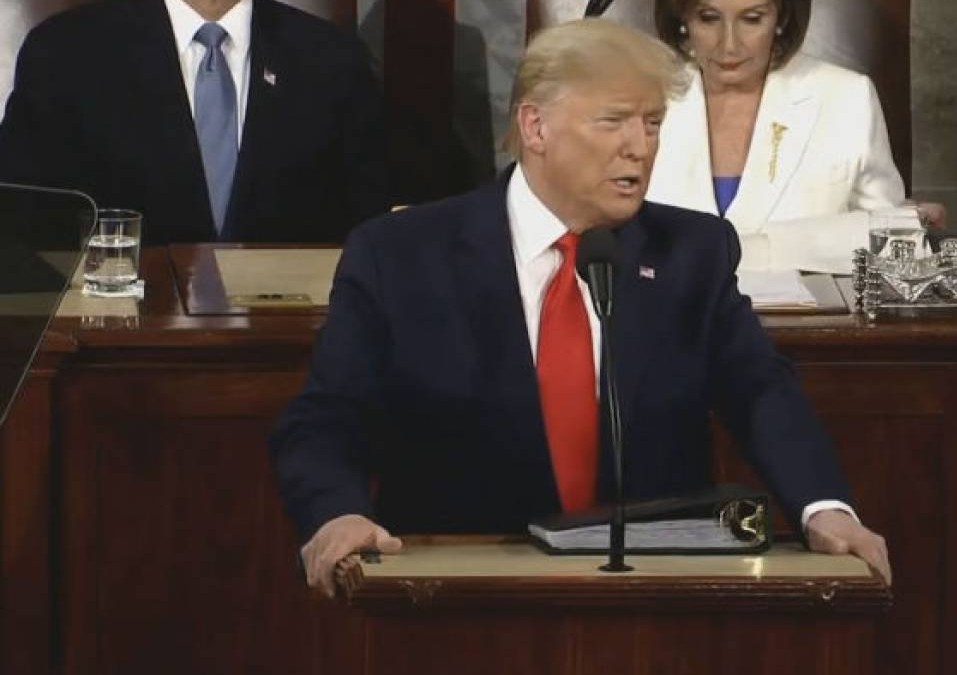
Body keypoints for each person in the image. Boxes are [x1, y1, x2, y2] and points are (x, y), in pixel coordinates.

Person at [270, 18, 890, 597]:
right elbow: (326, 415)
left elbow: (760, 391)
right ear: (535, 127)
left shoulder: (691, 254)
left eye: (652, 123)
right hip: (459, 597)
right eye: (613, 121)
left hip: (648, 602)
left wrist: (823, 508)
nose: (639, 147)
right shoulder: (401, 256)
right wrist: (336, 513)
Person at [0, 0, 395, 245]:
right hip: (112, 341)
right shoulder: (65, 54)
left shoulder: (334, 60)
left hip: (293, 343)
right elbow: (24, 224)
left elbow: (367, 227)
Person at [646, 0, 943, 273]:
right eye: (708, 18)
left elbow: (890, 245)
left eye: (752, 19)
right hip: (662, 313)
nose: (729, 45)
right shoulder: (644, 95)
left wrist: (904, 222)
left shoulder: (846, 97)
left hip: (807, 314)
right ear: (682, 17)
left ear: (782, 18)